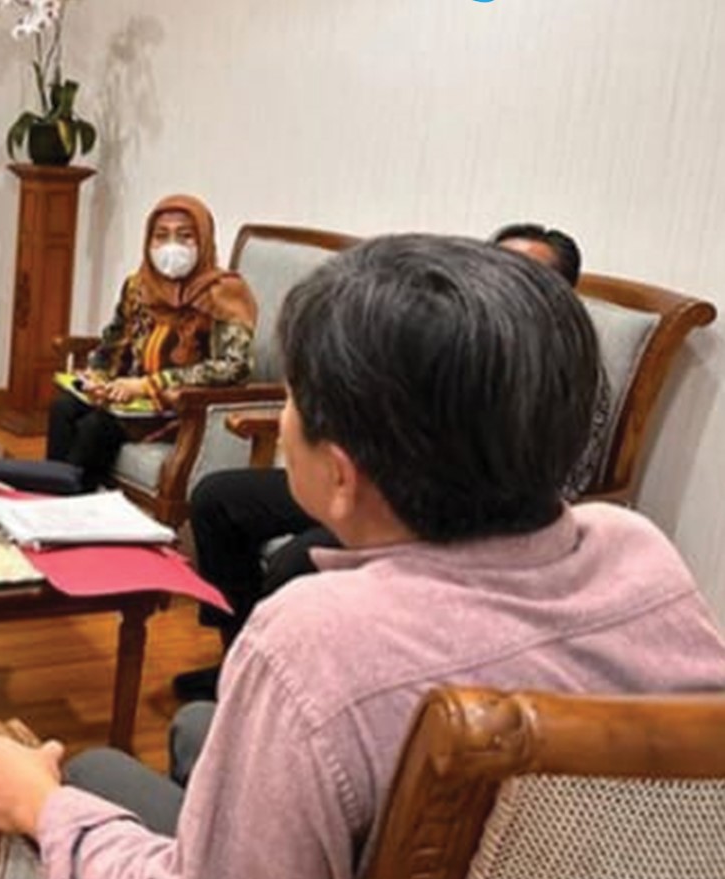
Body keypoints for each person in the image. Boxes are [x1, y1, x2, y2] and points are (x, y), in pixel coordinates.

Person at [0, 234, 725, 879]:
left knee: (89, 772)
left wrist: (43, 806)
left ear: (340, 472)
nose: (282, 420)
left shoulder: (313, 645)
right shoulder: (641, 556)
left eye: (292, 400)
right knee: (199, 725)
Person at [172, 222, 608, 702]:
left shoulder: (566, 374)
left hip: (441, 512)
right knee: (219, 498)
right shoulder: (458, 346)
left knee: (297, 562)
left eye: (525, 274)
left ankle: (268, 683)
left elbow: (558, 480)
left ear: (562, 293)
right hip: (379, 478)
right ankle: (235, 657)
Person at [45, 195, 256, 490]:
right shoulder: (139, 286)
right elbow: (114, 341)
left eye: (185, 236)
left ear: (204, 241)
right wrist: (99, 377)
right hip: (130, 400)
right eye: (161, 236)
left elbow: (234, 366)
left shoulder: (223, 293)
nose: (172, 246)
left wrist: (150, 384)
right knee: (63, 408)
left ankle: (77, 504)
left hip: (180, 410)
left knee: (96, 428)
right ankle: (49, 497)